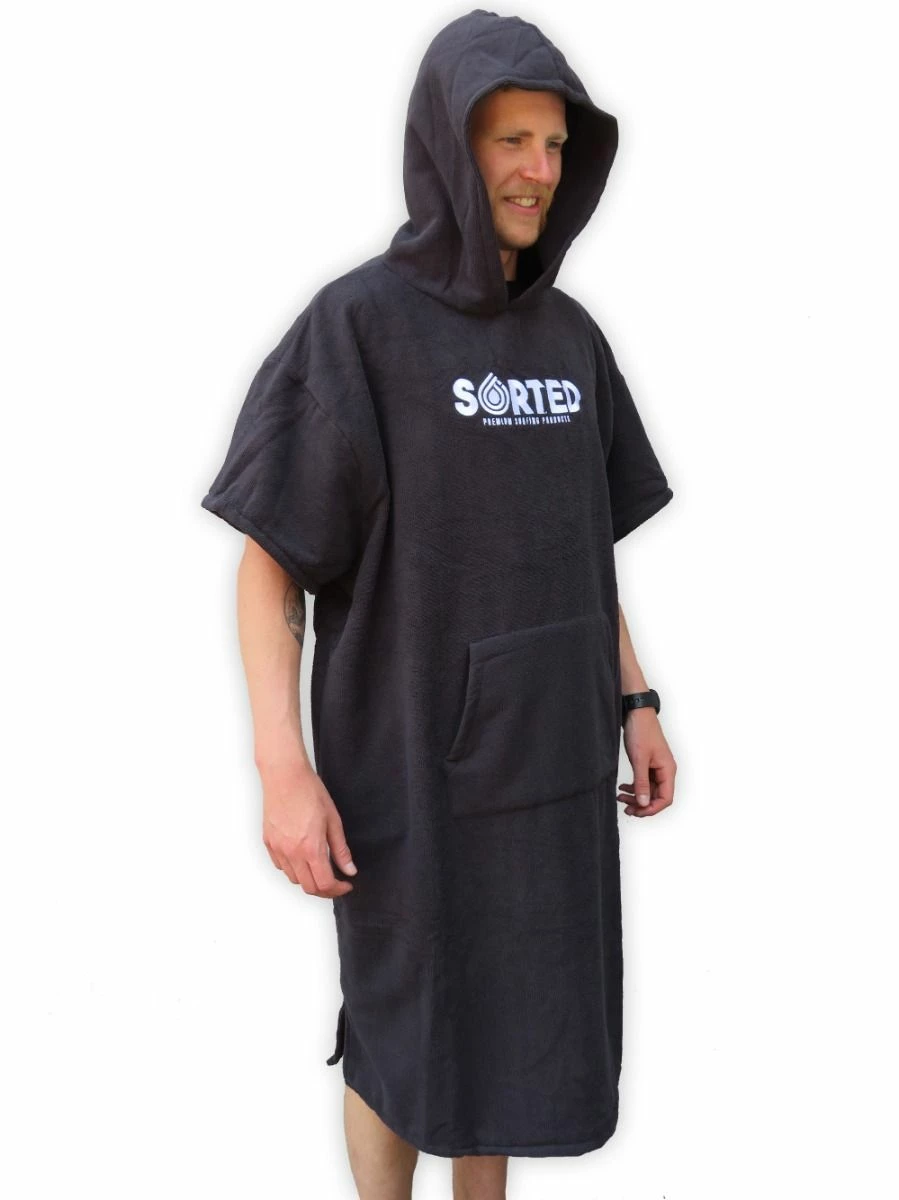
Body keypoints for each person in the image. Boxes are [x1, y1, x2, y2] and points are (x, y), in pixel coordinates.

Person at [200, 8, 677, 1199]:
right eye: (508, 140)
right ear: (445, 149)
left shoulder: (571, 341)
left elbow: (585, 547)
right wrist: (281, 768)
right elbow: (268, 561)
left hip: (550, 771)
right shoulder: (358, 327)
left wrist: (635, 701)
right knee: (406, 1020)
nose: (537, 171)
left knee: (515, 1023)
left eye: (554, 145)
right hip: (409, 770)